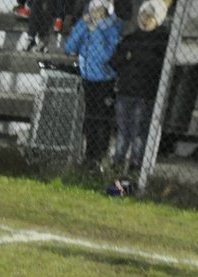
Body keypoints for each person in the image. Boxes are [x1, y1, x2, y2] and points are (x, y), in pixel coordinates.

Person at [107, 0, 167, 174]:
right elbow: (115, 61)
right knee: (123, 131)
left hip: (144, 93)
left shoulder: (161, 40)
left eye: (149, 16)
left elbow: (157, 65)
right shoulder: (131, 38)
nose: (145, 19)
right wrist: (130, 58)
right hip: (125, 90)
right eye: (143, 15)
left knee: (139, 132)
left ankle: (135, 165)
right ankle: (118, 162)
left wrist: (132, 58)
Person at [62, 0, 120, 166]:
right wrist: (82, 26)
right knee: (90, 117)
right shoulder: (86, 25)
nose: (95, 13)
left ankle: (100, 155)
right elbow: (69, 46)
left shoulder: (111, 27)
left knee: (101, 118)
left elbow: (107, 55)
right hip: (88, 77)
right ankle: (90, 155)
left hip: (105, 79)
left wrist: (95, 32)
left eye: (99, 10)